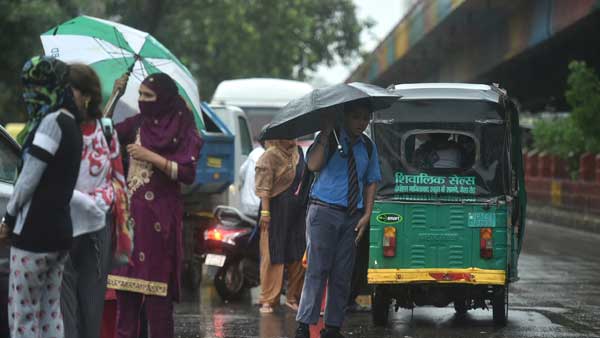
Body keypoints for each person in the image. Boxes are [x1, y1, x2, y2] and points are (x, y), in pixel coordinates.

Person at [106, 73, 203, 338]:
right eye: (139, 95)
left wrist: (150, 156)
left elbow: (187, 173)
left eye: (148, 96)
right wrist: (115, 96)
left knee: (158, 305)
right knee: (125, 303)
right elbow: (104, 134)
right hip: (129, 221)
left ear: (165, 98)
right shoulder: (138, 123)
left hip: (160, 222)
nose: (141, 101)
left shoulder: (183, 128)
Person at [0, 56, 83, 338]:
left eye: (34, 85)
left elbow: (27, 180)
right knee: (49, 313)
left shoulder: (50, 123)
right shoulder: (72, 123)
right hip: (59, 234)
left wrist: (8, 218)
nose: (28, 94)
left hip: (34, 235)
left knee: (22, 317)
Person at [294, 99, 381, 338]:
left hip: (352, 217)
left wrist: (367, 214)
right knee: (317, 270)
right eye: (356, 117)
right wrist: (325, 130)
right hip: (323, 212)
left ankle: (332, 327)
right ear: (345, 117)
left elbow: (372, 180)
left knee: (343, 274)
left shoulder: (368, 147)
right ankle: (304, 324)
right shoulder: (330, 139)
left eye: (365, 118)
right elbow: (312, 164)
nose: (361, 123)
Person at [60, 64, 125, 338]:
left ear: (86, 95)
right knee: (64, 310)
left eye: (69, 90)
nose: (63, 95)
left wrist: (96, 202)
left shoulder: (106, 132)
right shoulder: (57, 127)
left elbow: (118, 182)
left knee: (91, 308)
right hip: (61, 227)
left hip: (97, 232)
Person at [255, 139, 307, 313]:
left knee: (298, 253)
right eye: (286, 133)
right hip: (274, 212)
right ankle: (268, 299)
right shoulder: (269, 156)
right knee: (272, 254)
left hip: (297, 212)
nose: (291, 137)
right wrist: (265, 212)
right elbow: (264, 187)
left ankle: (292, 296)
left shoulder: (298, 152)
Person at [239, 137, 265, 218]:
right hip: (259, 204)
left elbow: (241, 172)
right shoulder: (268, 156)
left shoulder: (254, 153)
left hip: (246, 203)